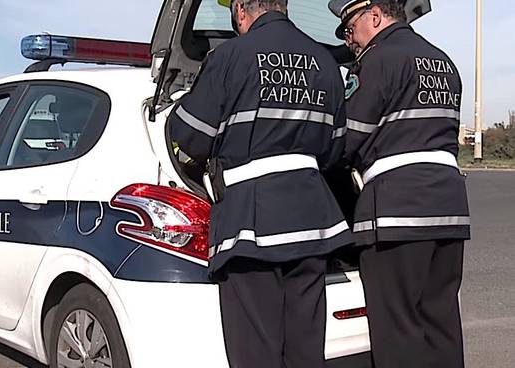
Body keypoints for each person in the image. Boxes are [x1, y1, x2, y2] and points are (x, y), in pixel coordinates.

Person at [167, 0, 353, 367]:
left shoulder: (231, 56)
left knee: (256, 351)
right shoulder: (326, 63)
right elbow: (335, 151)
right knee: (305, 348)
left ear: (240, 11)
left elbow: (189, 136)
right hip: (311, 220)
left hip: (251, 222)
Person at [327, 0, 470, 367]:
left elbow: (348, 138)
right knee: (441, 323)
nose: (349, 39)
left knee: (397, 328)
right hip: (449, 208)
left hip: (397, 211)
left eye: (349, 27)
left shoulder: (378, 60)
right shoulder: (443, 62)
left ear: (374, 16)